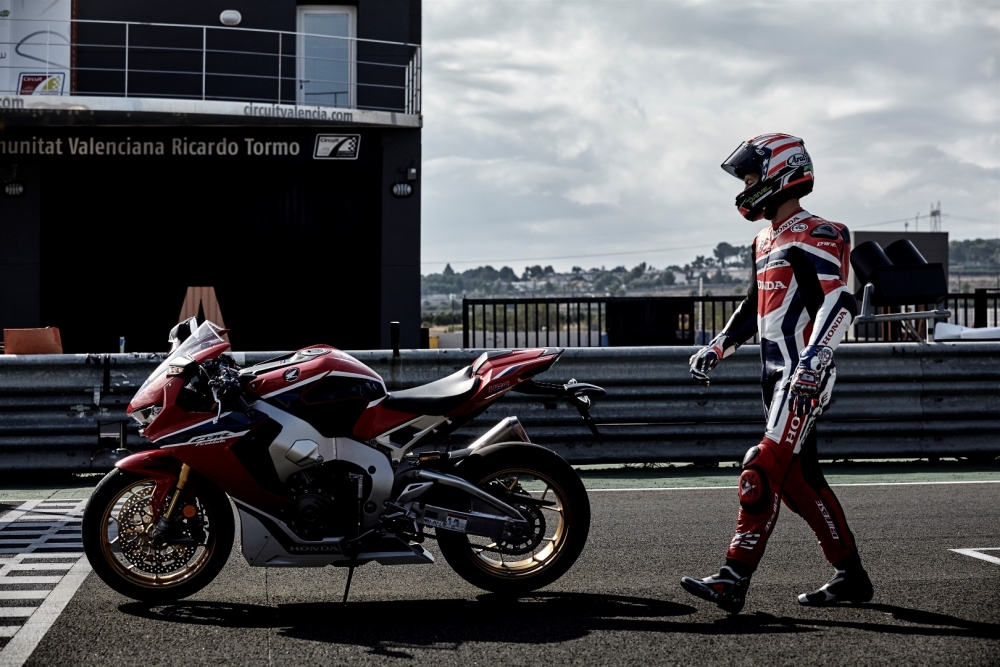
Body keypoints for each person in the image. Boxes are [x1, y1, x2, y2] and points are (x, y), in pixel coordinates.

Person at [679, 133, 873, 614]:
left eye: (750, 176)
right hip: (774, 378)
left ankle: (732, 578)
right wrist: (718, 346)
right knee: (798, 483)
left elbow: (840, 301)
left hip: (804, 376)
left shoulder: (821, 231)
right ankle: (851, 576)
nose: (745, 186)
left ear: (780, 173)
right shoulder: (763, 239)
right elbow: (753, 306)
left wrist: (813, 362)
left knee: (759, 470)